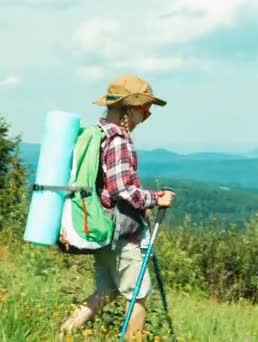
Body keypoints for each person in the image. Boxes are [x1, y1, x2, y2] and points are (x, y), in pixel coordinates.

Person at [59, 74, 176, 339]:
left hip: (104, 229)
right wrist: (155, 199)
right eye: (145, 108)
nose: (147, 114)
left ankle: (63, 333)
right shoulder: (119, 139)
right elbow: (122, 189)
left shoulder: (99, 134)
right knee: (138, 295)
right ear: (130, 108)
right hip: (122, 235)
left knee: (107, 291)